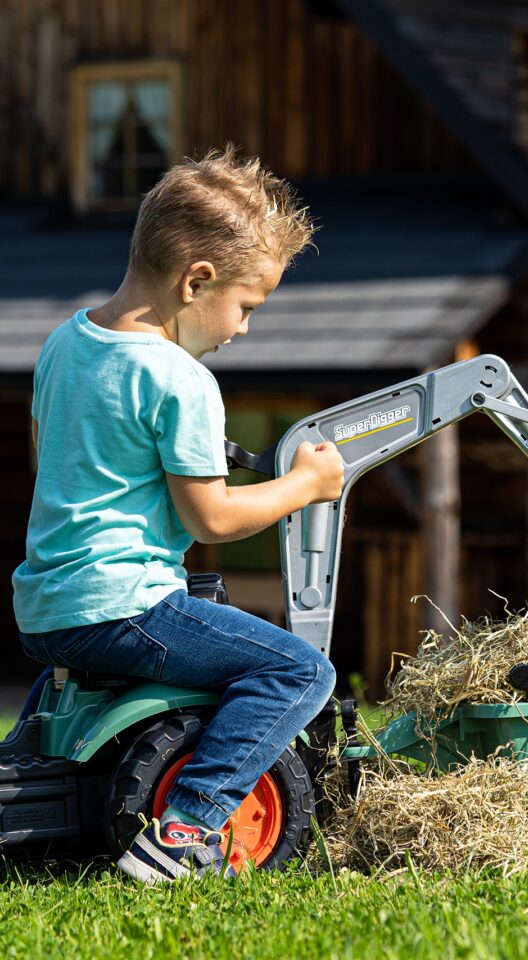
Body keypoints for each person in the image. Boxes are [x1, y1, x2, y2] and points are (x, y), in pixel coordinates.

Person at [12, 146, 343, 882]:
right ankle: (186, 828)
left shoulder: (64, 345)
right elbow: (213, 522)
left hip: (47, 607)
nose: (244, 329)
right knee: (298, 671)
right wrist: (306, 485)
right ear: (197, 280)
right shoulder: (179, 379)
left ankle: (30, 764)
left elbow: (60, 467)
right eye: (247, 306)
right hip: (123, 604)